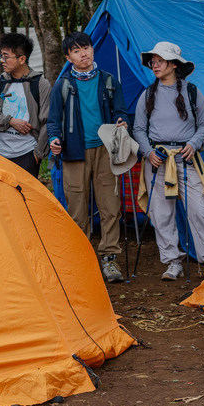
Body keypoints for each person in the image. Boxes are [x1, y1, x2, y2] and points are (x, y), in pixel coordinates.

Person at [133, 42, 204, 280]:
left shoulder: (192, 92)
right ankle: (173, 262)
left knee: (199, 210)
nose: (155, 65)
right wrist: (147, 152)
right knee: (161, 213)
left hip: (185, 159)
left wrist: (193, 144)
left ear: (173, 64)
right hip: (157, 159)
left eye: (160, 61)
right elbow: (139, 129)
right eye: (153, 61)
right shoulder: (148, 94)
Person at [47, 31, 129, 283]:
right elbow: (53, 121)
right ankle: (81, 259)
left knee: (110, 207)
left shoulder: (108, 81)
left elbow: (121, 110)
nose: (84, 53)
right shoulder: (62, 84)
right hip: (74, 153)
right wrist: (54, 140)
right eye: (76, 51)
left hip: (106, 150)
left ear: (93, 50)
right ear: (68, 57)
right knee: (78, 209)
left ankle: (109, 258)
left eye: (87, 48)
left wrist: (121, 121)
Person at [0, 33, 51, 178]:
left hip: (27, 154)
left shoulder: (40, 84)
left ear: (22, 59)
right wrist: (10, 121)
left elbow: (47, 122)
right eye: (1, 56)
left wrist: (37, 155)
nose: (2, 61)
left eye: (6, 56)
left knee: (25, 198)